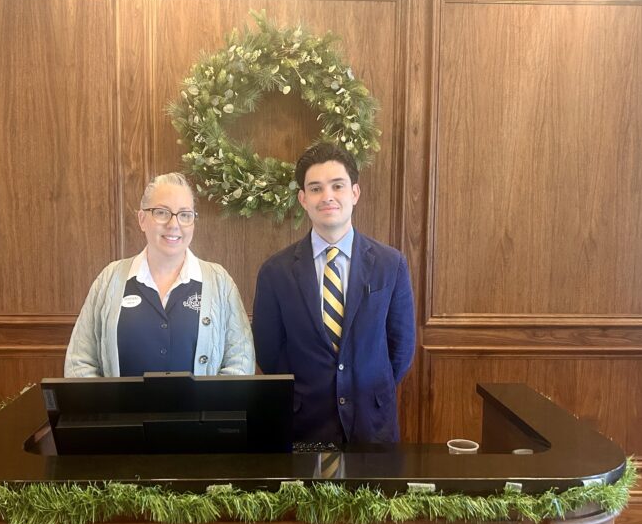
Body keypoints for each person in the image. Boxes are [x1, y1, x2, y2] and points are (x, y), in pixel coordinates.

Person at [252, 143, 415, 443]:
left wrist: (368, 388)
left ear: (354, 193)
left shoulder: (390, 264)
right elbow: (268, 351)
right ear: (303, 199)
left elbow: (401, 347)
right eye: (316, 189)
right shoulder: (275, 271)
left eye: (337, 186)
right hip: (304, 423)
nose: (327, 196)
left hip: (373, 424)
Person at [65, 173, 254, 377]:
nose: (174, 224)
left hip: (204, 402)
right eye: (162, 212)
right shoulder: (109, 279)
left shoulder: (220, 282)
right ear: (142, 219)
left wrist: (212, 399)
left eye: (185, 215)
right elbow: (79, 362)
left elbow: (241, 362)